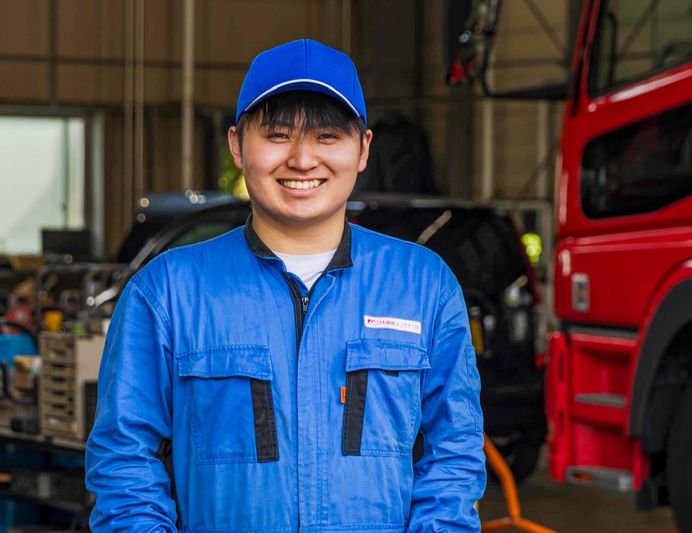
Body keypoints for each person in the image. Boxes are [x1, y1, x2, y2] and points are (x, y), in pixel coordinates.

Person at [85, 38, 486, 532]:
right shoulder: (167, 293)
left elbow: (454, 455)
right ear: (237, 145)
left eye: (327, 137)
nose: (302, 159)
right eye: (277, 135)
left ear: (363, 149)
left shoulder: (423, 286)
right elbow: (124, 460)